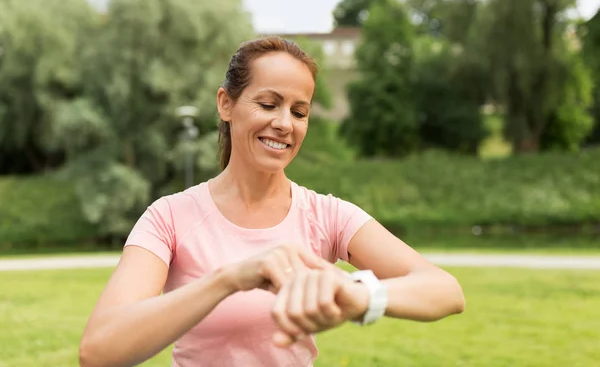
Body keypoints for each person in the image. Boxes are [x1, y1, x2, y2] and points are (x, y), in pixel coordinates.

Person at [79, 37, 465, 367]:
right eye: (268, 104)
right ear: (225, 104)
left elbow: (445, 291)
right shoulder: (170, 217)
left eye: (300, 112)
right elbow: (99, 349)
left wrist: (360, 295)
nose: (285, 123)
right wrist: (229, 279)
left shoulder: (327, 215)